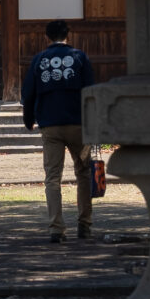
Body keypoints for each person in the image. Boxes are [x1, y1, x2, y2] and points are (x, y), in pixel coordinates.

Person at [21, 18, 98, 242]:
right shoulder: (79, 57)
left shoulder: (39, 60)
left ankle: (56, 228)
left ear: (47, 36)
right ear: (68, 35)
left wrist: (29, 119)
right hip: (78, 122)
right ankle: (85, 225)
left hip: (50, 124)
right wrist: (94, 122)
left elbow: (28, 93)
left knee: (53, 177)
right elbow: (91, 91)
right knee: (83, 173)